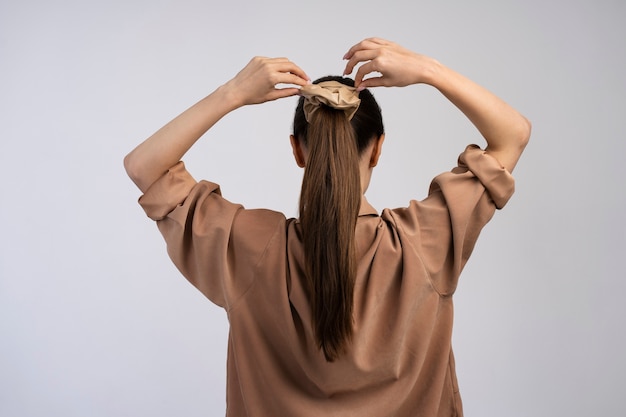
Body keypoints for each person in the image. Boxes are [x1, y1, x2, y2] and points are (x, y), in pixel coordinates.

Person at [124, 38, 530, 417]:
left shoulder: (250, 248)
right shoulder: (425, 241)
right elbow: (513, 134)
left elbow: (145, 167)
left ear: (297, 150)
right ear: (378, 149)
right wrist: (428, 69)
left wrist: (232, 93)